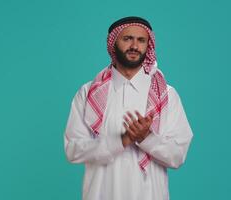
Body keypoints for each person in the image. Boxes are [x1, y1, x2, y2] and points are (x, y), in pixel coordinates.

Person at [64, 16, 193, 200]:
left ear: (148, 45)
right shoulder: (88, 93)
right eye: (127, 39)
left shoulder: (166, 95)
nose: (134, 46)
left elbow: (177, 155)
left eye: (141, 40)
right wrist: (121, 141)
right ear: (113, 42)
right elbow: (74, 150)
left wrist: (146, 138)